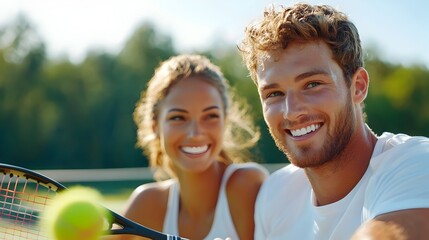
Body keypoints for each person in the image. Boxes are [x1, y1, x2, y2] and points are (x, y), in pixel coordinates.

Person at [238, 3, 429, 240]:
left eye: (312, 84)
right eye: (274, 94)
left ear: (358, 86)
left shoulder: (416, 162)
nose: (292, 112)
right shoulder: (275, 194)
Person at [120, 54, 268, 240]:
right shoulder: (146, 204)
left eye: (210, 116)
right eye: (178, 118)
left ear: (225, 121)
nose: (196, 133)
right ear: (155, 126)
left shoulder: (246, 185)